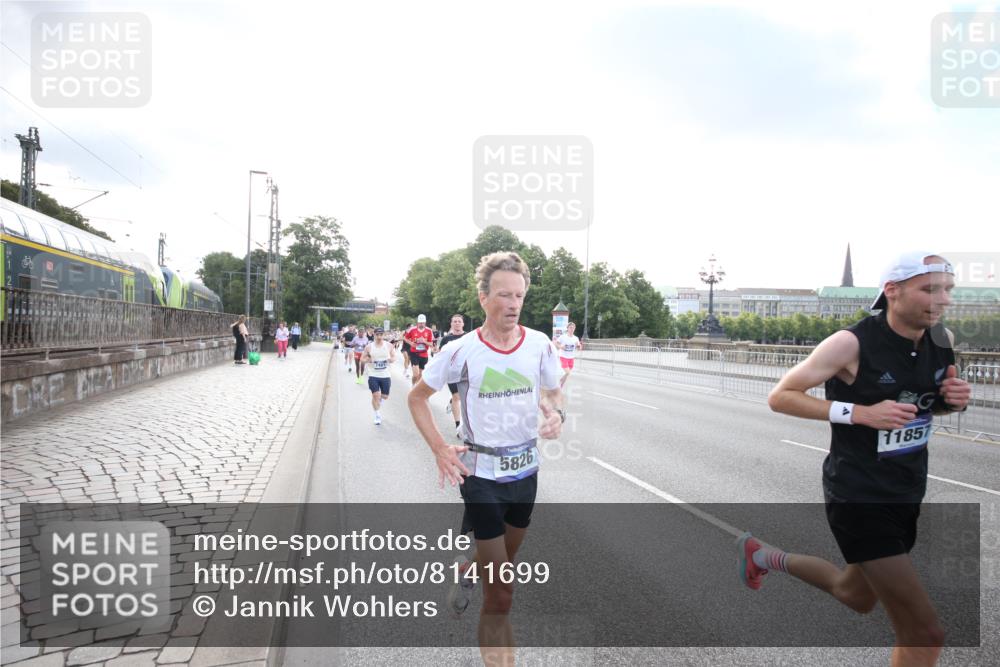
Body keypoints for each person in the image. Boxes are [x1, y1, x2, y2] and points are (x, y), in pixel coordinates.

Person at [742, 252, 970, 667]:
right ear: (893, 291)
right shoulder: (850, 343)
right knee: (924, 632)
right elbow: (781, 396)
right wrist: (860, 413)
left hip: (906, 487)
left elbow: (924, 406)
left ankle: (763, 557)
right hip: (858, 493)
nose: (943, 300)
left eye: (948, 290)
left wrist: (950, 403)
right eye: (930, 289)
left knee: (855, 594)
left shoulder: (943, 341)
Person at [408, 251, 563, 665]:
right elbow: (417, 398)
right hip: (480, 476)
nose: (513, 304)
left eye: (519, 296)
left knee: (504, 563)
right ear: (483, 299)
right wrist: (440, 447)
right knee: (502, 590)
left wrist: (555, 412)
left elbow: (553, 390)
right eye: (503, 295)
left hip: (525, 473)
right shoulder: (460, 351)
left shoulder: (539, 344)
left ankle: (466, 569)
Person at [438, 313, 468, 438]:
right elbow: (441, 356)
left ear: (463, 324)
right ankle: (458, 426)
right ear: (451, 324)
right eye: (454, 321)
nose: (457, 323)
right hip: (452, 373)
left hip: (466, 372)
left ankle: (452, 402)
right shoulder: (446, 339)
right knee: (457, 396)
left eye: (459, 321)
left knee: (464, 398)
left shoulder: (468, 337)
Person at [361, 328, 397, 425]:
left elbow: (394, 357)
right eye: (377, 334)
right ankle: (377, 415)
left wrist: (391, 360)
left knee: (384, 396)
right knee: (375, 395)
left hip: (385, 375)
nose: (379, 336)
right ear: (374, 335)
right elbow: (362, 359)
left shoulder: (389, 346)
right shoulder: (369, 347)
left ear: (383, 335)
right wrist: (369, 360)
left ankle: (378, 401)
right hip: (373, 375)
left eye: (381, 334)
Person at [404, 315, 434, 386]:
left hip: (424, 354)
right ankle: (413, 385)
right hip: (414, 353)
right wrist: (411, 343)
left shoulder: (429, 331)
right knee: (416, 374)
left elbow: (431, 344)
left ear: (425, 322)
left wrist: (424, 341)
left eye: (423, 323)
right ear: (417, 322)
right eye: (420, 323)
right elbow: (405, 338)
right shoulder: (412, 329)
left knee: (420, 374)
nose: (421, 324)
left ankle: (416, 386)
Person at [554, 322, 583, 387]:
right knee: (567, 372)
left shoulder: (576, 338)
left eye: (573, 328)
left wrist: (578, 347)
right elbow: (556, 343)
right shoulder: (563, 337)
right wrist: (561, 346)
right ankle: (560, 382)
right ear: (567, 328)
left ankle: (560, 385)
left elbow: (579, 347)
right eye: (570, 327)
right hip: (563, 356)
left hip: (571, 358)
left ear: (575, 328)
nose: (572, 329)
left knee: (567, 374)